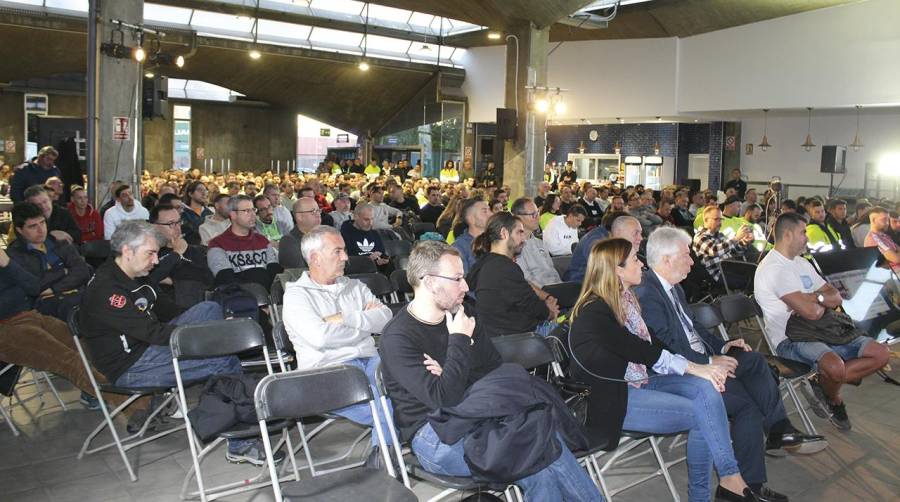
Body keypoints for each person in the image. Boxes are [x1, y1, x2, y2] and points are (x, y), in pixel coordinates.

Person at [379, 241, 602, 501]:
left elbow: (495, 372)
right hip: (436, 435)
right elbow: (444, 400)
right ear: (428, 282)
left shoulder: (465, 312)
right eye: (457, 279)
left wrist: (452, 371)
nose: (466, 286)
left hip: (481, 414)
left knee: (539, 443)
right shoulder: (399, 337)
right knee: (536, 452)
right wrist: (459, 342)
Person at [569, 238, 761, 502]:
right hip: (614, 399)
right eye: (636, 259)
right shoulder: (595, 311)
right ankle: (707, 493)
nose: (642, 264)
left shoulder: (625, 300)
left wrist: (706, 365)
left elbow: (653, 345)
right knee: (701, 415)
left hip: (640, 381)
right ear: (617, 270)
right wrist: (697, 367)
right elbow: (643, 351)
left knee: (707, 390)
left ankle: (730, 478)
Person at [638, 227, 825, 498]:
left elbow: (694, 329)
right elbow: (668, 346)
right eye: (686, 255)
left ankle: (778, 431)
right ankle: (750, 484)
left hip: (702, 358)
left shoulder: (674, 288)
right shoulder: (648, 293)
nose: (692, 261)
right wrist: (709, 361)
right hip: (680, 372)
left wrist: (723, 346)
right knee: (748, 403)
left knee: (754, 360)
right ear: (666, 259)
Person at [78, 221, 277, 462]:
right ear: (128, 252)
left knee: (208, 309)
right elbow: (153, 333)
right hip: (131, 364)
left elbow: (169, 311)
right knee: (223, 360)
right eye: (150, 254)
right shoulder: (107, 290)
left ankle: (231, 400)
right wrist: (206, 340)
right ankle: (240, 443)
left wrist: (214, 329)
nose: (155, 261)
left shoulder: (134, 276)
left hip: (149, 347)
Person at [754, 212, 890, 431]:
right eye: (803, 232)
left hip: (825, 329)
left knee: (880, 354)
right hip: (791, 340)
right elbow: (812, 313)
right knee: (835, 368)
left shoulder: (801, 263)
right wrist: (818, 301)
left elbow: (836, 296)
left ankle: (822, 383)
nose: (807, 238)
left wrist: (815, 298)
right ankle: (834, 398)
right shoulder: (773, 269)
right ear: (787, 235)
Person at [0, 243, 145, 414]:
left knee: (89, 349)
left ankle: (140, 394)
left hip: (30, 315)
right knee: (69, 360)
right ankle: (136, 406)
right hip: (6, 329)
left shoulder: (6, 259)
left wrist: (7, 263)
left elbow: (33, 287)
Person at [282, 225, 393, 449]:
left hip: (371, 362)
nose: (345, 257)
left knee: (409, 389)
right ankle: (387, 458)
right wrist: (364, 323)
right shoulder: (296, 295)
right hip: (326, 373)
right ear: (315, 258)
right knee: (391, 407)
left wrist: (345, 318)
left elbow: (386, 319)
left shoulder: (354, 286)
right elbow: (320, 338)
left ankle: (383, 458)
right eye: (337, 251)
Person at [466, 212, 559, 338]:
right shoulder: (503, 267)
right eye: (519, 232)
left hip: (504, 337)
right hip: (519, 339)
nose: (524, 238)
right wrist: (551, 312)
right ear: (504, 233)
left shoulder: (487, 263)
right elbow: (534, 307)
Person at [8, 202, 91, 321]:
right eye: (33, 226)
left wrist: (53, 288)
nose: (40, 230)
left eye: (42, 223)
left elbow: (82, 271)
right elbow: (35, 285)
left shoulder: (59, 243)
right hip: (45, 307)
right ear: (19, 230)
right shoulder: (15, 255)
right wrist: (64, 271)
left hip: (76, 295)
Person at [207, 195, 281, 291]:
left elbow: (275, 275)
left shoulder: (262, 241)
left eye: (253, 210)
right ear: (233, 215)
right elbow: (225, 279)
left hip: (268, 296)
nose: (253, 215)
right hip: (239, 298)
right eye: (246, 211)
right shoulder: (217, 244)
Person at [148, 204, 213, 311]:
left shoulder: (196, 250)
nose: (178, 227)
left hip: (201, 307)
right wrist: (177, 253)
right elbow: (149, 279)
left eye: (179, 222)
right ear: (154, 227)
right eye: (171, 224)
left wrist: (173, 281)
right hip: (169, 314)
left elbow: (208, 279)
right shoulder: (150, 254)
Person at [693, 206, 754, 288]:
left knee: (756, 272)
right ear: (706, 220)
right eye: (716, 219)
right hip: (719, 274)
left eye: (721, 219)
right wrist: (736, 238)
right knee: (750, 280)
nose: (720, 222)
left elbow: (734, 251)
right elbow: (715, 251)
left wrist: (745, 241)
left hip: (730, 268)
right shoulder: (700, 237)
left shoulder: (720, 234)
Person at [512, 197, 562, 287]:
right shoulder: (515, 246)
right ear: (518, 217)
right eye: (533, 215)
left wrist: (562, 286)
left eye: (538, 213)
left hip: (556, 288)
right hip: (539, 293)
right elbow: (526, 279)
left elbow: (552, 270)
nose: (538, 218)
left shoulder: (540, 243)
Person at [340, 203, 390, 268]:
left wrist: (383, 261)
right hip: (355, 274)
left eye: (372, 219)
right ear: (355, 217)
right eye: (366, 219)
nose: (370, 223)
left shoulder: (375, 234)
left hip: (375, 273)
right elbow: (345, 262)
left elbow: (381, 254)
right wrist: (367, 260)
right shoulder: (344, 234)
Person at [278, 197, 321, 269]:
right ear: (299, 217)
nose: (318, 214)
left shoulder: (326, 235)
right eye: (313, 211)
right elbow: (301, 272)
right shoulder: (288, 242)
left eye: (318, 211)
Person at [450, 198, 491, 273]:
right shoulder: (460, 247)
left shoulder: (495, 240)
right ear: (471, 219)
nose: (491, 214)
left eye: (489, 210)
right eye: (484, 211)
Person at [864, 206, 900, 274]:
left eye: (887, 220)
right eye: (884, 220)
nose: (887, 223)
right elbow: (896, 259)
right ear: (874, 220)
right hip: (892, 276)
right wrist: (896, 253)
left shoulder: (884, 235)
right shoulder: (874, 238)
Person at [181, 181, 212, 245]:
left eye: (205, 190)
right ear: (190, 194)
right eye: (199, 190)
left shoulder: (210, 213)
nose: (204, 193)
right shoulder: (182, 213)